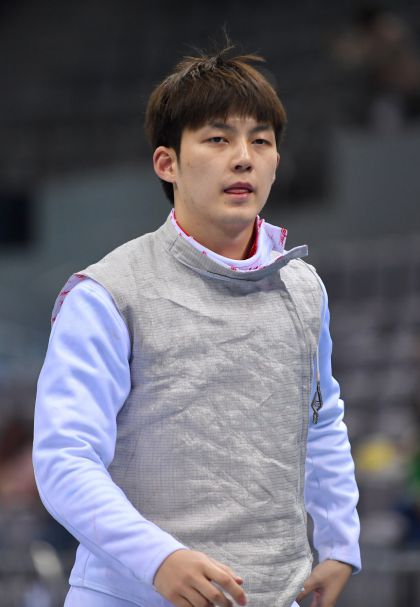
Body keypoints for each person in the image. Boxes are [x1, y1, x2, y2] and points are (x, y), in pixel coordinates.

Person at [33, 45, 361, 607]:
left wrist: (339, 540)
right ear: (167, 163)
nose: (244, 159)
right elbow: (65, 459)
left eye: (261, 141)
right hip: (132, 595)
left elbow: (321, 420)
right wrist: (157, 559)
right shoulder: (108, 294)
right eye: (217, 139)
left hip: (274, 592)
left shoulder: (304, 288)